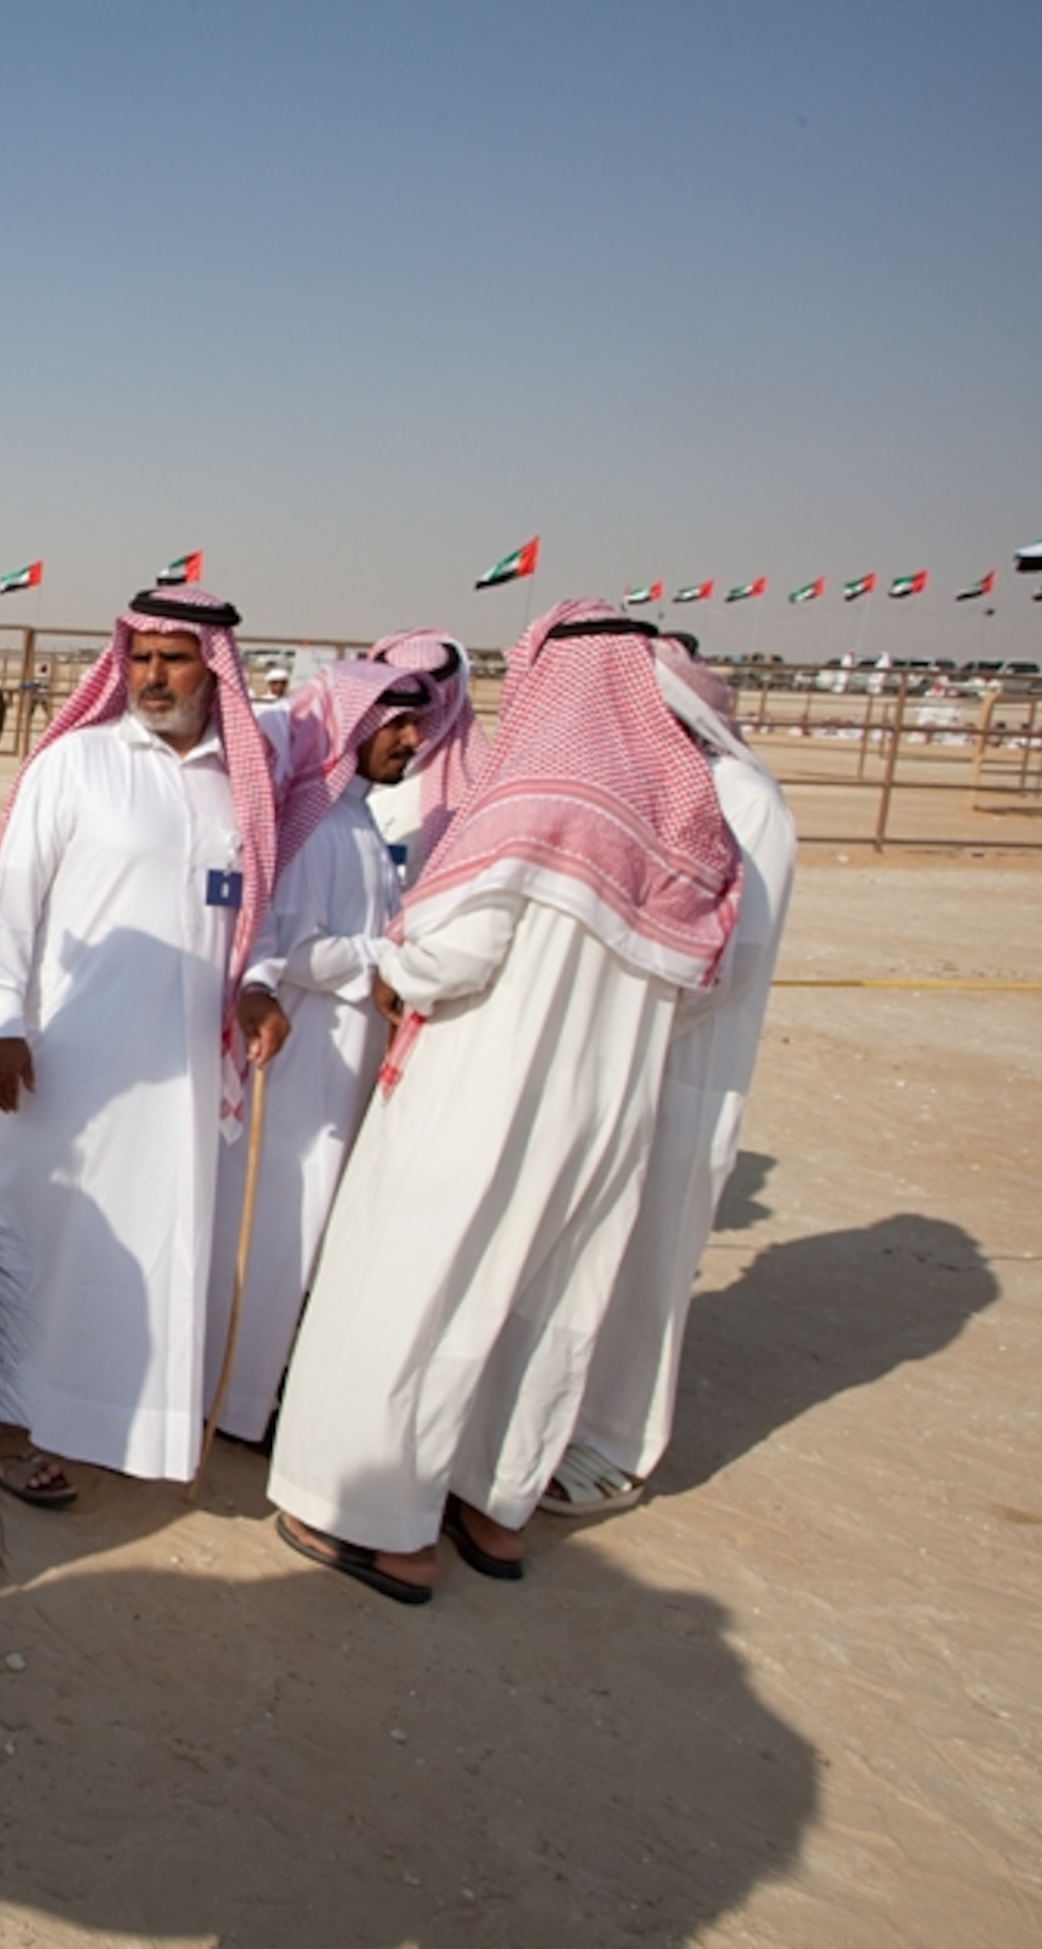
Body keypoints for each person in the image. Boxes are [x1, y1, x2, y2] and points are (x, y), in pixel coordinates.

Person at [266, 601, 739, 1604]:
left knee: (421, 1290)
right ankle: (496, 1509)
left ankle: (379, 1526)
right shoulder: (683, 818)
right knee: (550, 1294)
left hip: (482, 1097)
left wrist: (387, 958)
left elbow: (451, 954)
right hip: (605, 1107)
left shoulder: (540, 796)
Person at [0, 587, 285, 1503]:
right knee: (47, 1239)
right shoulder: (78, 765)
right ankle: (5, 1422)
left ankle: (122, 1425)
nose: (153, 675)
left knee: (158, 1247)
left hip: (181, 1075)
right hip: (68, 1066)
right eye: (140, 657)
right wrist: (3, 1023)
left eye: (173, 658)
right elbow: (9, 902)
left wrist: (259, 987)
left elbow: (259, 915)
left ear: (212, 668)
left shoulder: (235, 787)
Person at [544, 636, 796, 1514]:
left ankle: (614, 1448)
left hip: (679, 1071)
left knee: (649, 1264)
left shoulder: (743, 801)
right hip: (614, 1063)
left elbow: (724, 966)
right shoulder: (656, 789)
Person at [203, 658, 442, 1446]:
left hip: (340, 1065)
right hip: (301, 1064)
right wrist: (383, 959)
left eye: (415, 723)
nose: (412, 739)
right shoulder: (316, 825)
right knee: (278, 1227)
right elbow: (290, 949)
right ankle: (235, 1403)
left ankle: (254, 1392)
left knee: (305, 1230)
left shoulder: (360, 817)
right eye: (396, 723)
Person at [362, 629, 477, 881]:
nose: (412, 736)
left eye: (421, 714)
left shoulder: (472, 789)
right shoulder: (342, 781)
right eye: (396, 717)